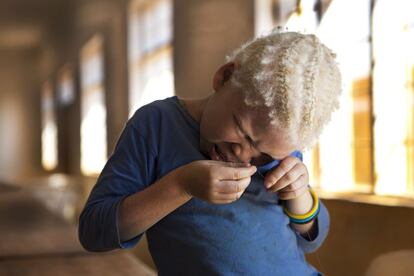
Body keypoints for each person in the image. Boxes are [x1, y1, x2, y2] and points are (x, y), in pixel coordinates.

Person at [78, 30, 341, 275]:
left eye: (264, 157)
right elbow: (94, 231)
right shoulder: (157, 126)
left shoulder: (281, 148)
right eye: (244, 132)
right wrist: (182, 185)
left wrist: (300, 196)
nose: (244, 156)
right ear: (225, 77)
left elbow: (311, 241)